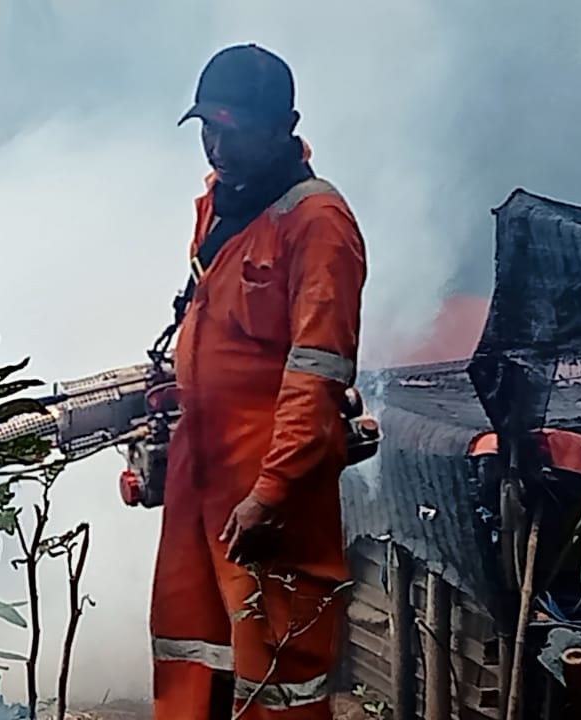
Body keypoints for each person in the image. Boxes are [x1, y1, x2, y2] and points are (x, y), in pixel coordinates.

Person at [150, 43, 367, 720]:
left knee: (278, 667)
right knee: (190, 643)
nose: (216, 147)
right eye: (206, 129)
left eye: (232, 130)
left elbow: (317, 374)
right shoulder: (220, 204)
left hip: (270, 486)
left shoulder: (318, 224)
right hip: (200, 469)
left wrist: (272, 493)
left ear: (283, 127)